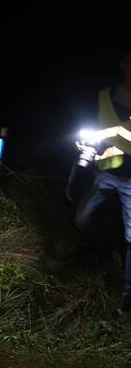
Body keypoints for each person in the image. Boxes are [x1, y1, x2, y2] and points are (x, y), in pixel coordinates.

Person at [75, 49, 131, 313]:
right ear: (123, 63)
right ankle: (102, 251)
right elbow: (91, 127)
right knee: (83, 220)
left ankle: (127, 299)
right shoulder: (103, 96)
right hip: (104, 174)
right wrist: (84, 143)